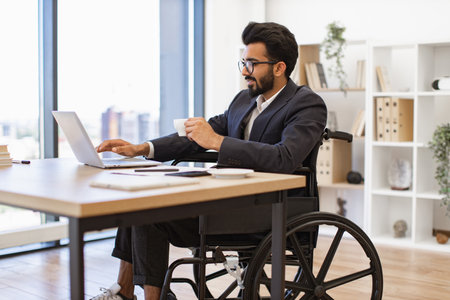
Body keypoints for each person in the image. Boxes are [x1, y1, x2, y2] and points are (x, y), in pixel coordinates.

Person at [91, 21, 327, 300]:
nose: (244, 71)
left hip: (268, 209)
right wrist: (142, 148)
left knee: (149, 213)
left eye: (252, 64)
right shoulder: (243, 101)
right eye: (243, 62)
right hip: (224, 201)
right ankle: (124, 292)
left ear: (279, 67)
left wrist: (217, 142)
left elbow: (284, 158)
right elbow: (194, 135)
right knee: (138, 206)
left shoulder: (306, 104)